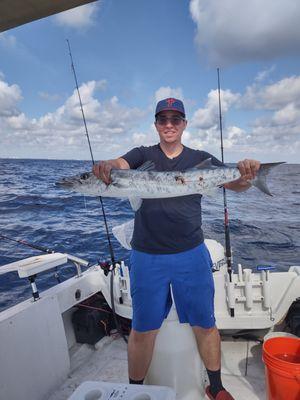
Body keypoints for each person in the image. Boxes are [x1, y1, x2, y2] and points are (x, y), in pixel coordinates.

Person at [93, 98, 260, 400]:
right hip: (146, 255)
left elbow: (234, 183)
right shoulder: (142, 154)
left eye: (175, 119)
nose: (169, 124)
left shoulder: (201, 158)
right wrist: (107, 165)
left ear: (184, 124)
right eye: (162, 119)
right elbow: (119, 165)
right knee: (143, 330)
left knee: (205, 324)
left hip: (191, 254)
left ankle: (217, 386)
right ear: (156, 124)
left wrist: (247, 176)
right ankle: (134, 391)